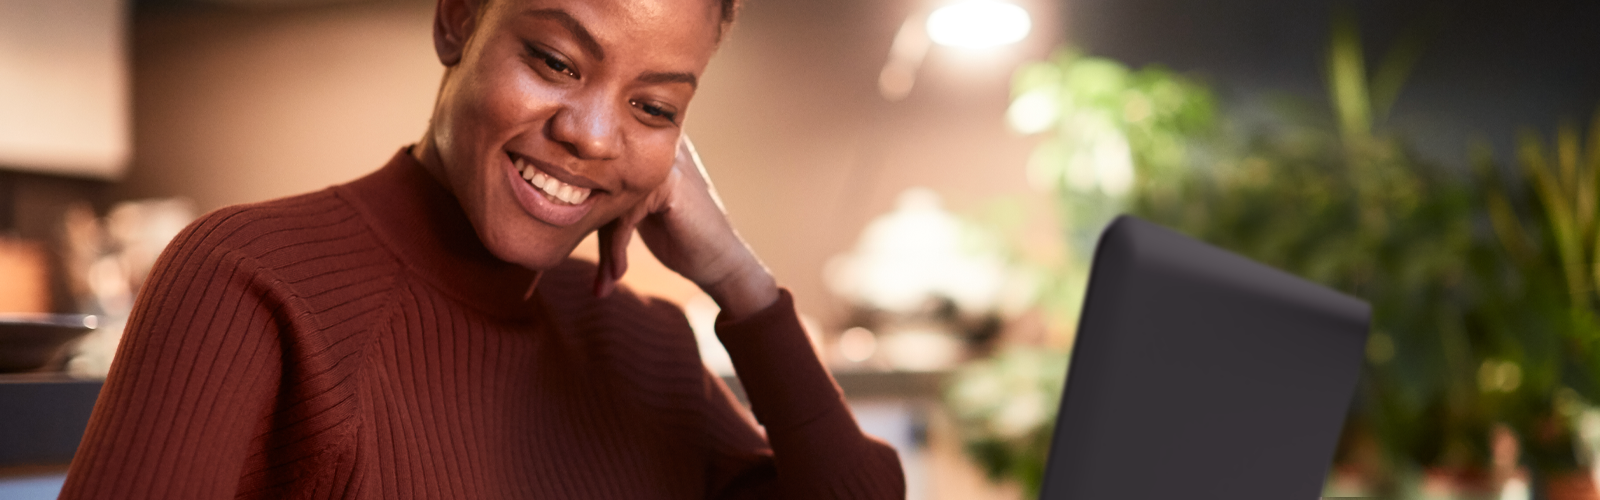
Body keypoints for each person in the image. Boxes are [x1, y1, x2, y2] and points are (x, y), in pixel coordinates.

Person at [57, 0, 906, 497]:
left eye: (654, 108)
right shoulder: (249, 279)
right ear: (459, 19)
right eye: (554, 61)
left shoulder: (641, 342)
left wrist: (740, 282)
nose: (591, 135)